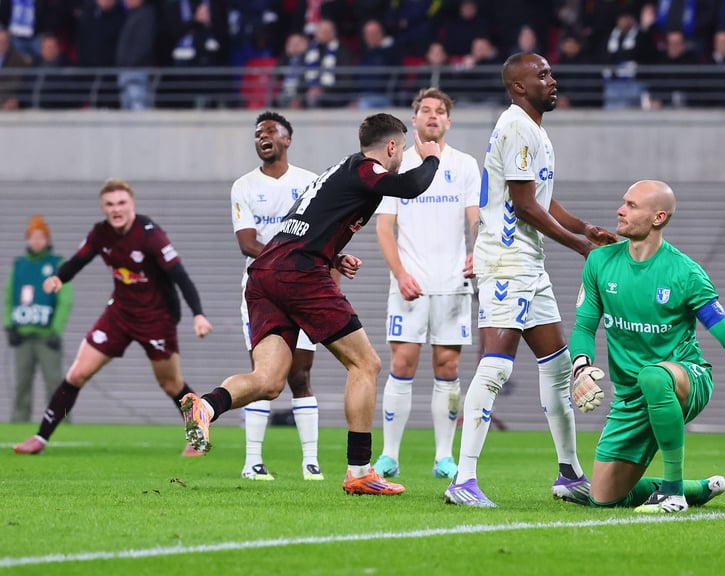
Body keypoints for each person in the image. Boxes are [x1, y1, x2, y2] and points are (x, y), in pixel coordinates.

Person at [180, 113, 442, 497]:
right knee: (365, 363)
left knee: (270, 382)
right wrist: (432, 157)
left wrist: (333, 256)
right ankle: (359, 470)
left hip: (266, 272)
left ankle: (206, 405)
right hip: (299, 275)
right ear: (392, 147)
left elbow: (305, 224)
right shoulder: (366, 167)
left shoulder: (339, 171)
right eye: (401, 150)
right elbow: (412, 185)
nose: (401, 157)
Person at [443, 52, 619, 508]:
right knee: (497, 365)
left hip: (528, 262)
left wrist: (583, 227)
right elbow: (524, 206)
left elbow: (540, 196)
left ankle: (569, 473)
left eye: (550, 72)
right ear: (519, 86)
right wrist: (580, 247)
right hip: (505, 260)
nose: (552, 80)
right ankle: (463, 480)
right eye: (542, 75)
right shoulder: (518, 125)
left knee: (558, 368)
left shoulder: (534, 128)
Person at [568, 180, 725, 513]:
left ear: (658, 217)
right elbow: (583, 326)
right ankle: (697, 489)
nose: (619, 210)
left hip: (685, 378)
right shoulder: (599, 264)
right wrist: (580, 367)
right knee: (604, 498)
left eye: (632, 205)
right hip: (630, 396)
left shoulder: (685, 273)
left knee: (654, 377)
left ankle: (672, 494)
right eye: (623, 202)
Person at [13, 179, 213, 455]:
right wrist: (60, 277)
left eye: (121, 203)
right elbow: (79, 259)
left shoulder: (151, 235)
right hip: (119, 313)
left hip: (157, 318)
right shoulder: (101, 233)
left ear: (131, 205)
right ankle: (41, 438)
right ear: (103, 207)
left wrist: (198, 315)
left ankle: (197, 435)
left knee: (171, 383)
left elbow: (180, 276)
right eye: (109, 204)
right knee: (77, 373)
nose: (116, 209)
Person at [372, 88, 480, 481]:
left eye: (440, 111)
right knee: (401, 363)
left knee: (447, 366)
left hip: (453, 284)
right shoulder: (396, 167)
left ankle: (443, 457)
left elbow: (475, 218)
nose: (432, 116)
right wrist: (400, 273)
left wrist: (477, 251)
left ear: (448, 121)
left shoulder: (465, 165)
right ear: (413, 120)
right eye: (425, 111)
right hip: (409, 283)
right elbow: (385, 228)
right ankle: (389, 455)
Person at [230, 110, 323, 481]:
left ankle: (311, 462)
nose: (263, 136)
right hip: (262, 290)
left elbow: (323, 234)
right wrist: (292, 257)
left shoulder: (311, 183)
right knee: (264, 377)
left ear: (287, 139)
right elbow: (246, 242)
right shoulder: (243, 186)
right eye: (258, 133)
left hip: (304, 289)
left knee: (300, 374)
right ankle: (253, 461)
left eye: (271, 131)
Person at [4, 215, 72, 423]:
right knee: (21, 384)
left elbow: (65, 300)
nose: (37, 241)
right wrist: (9, 326)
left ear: (47, 240)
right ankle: (19, 423)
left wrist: (56, 331)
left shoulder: (56, 264)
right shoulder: (19, 265)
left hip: (47, 337)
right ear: (27, 239)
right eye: (33, 237)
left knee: (54, 383)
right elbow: (8, 296)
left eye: (41, 237)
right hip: (23, 336)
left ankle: (62, 424)